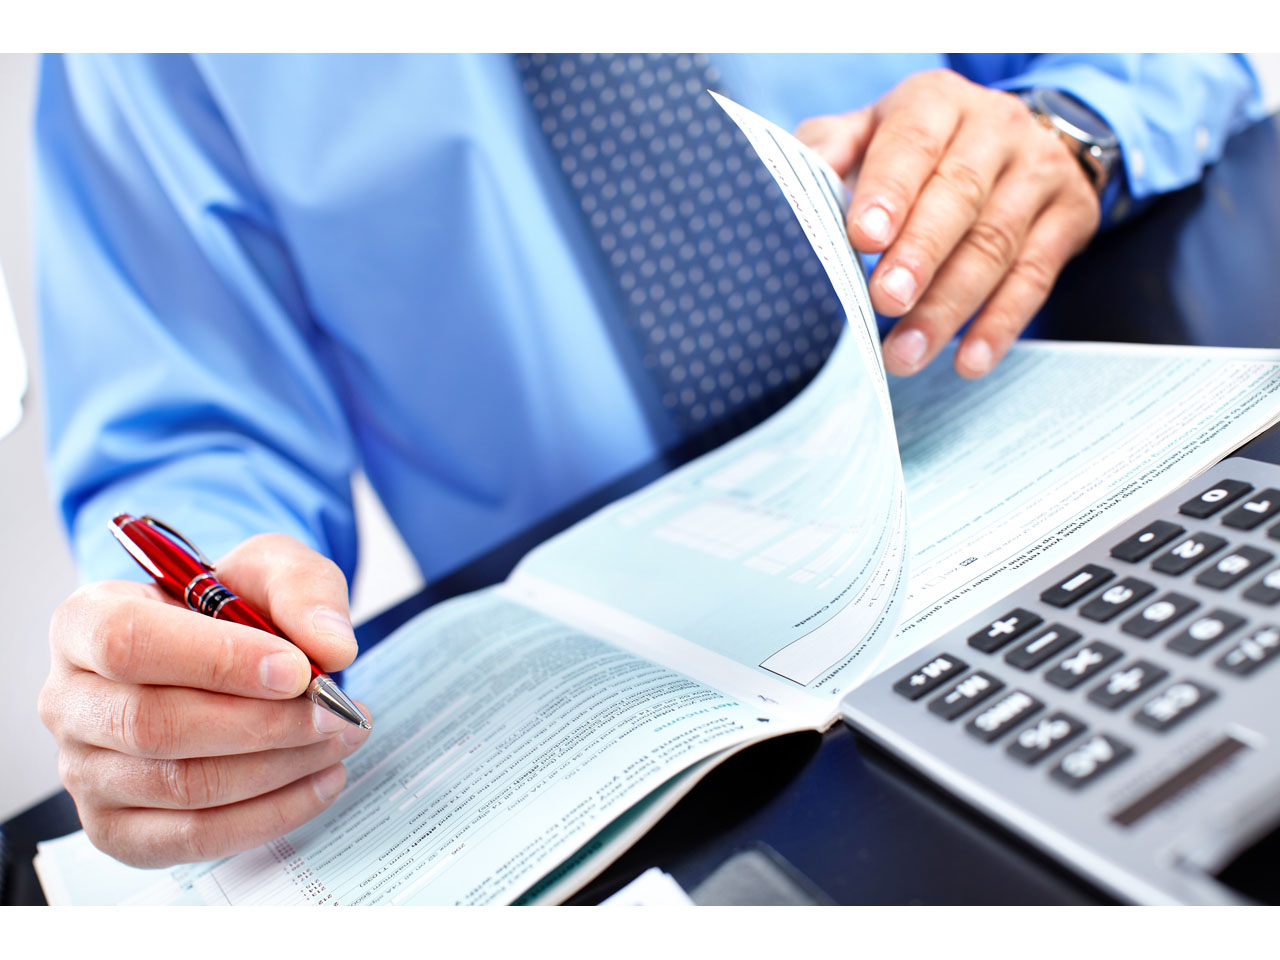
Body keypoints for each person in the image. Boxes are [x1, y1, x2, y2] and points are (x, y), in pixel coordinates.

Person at [34, 54, 1262, 867]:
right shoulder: (142, 57)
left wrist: (1077, 122)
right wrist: (196, 663)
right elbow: (192, 442)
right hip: (671, 738)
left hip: (1067, 449)